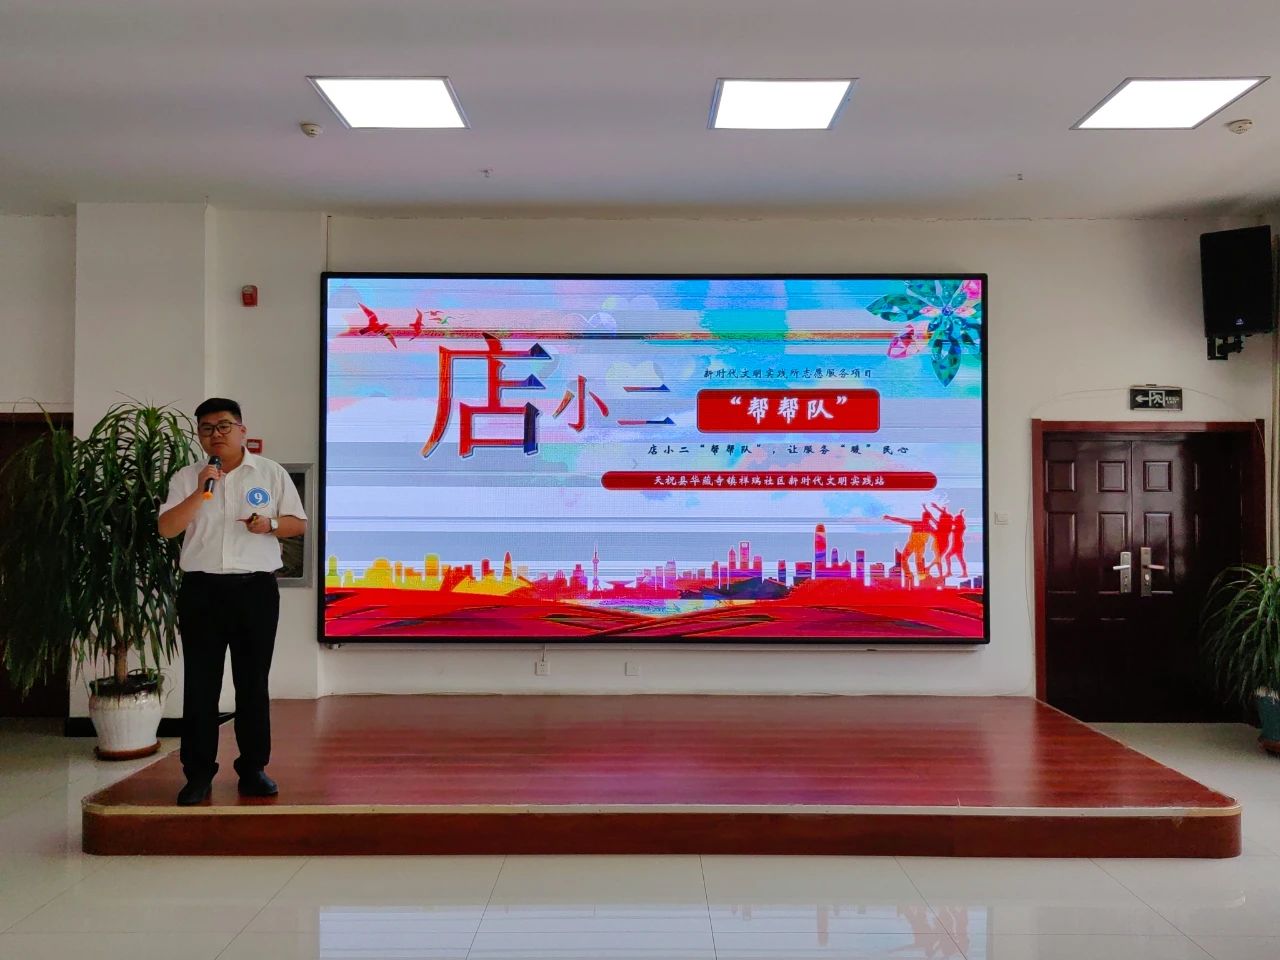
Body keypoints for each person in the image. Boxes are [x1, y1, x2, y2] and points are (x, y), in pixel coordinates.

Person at [158, 398, 306, 806]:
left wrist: (269, 524)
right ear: (199, 435)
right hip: (202, 591)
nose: (216, 434)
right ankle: (198, 773)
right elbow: (167, 528)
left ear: (242, 430)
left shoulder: (270, 472)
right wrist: (201, 491)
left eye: (224, 426)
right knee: (201, 685)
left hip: (255, 590)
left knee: (252, 683)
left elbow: (298, 524)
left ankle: (254, 768)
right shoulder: (188, 477)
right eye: (206, 428)